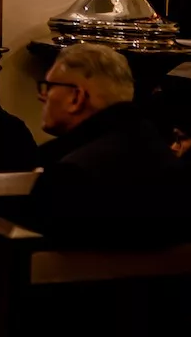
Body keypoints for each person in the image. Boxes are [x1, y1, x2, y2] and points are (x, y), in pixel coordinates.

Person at [25, 43, 179, 241]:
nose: (42, 96)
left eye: (49, 87)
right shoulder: (158, 149)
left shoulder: (71, 175)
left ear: (76, 97)